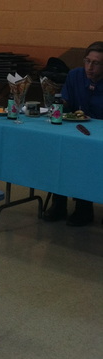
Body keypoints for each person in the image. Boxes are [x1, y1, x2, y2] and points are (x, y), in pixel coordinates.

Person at [44, 41, 103, 226]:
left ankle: (84, 208)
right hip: (75, 131)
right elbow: (66, 103)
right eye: (87, 61)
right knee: (59, 152)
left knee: (86, 157)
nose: (90, 67)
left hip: (98, 138)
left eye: (96, 63)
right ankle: (59, 203)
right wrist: (55, 101)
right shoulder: (75, 75)